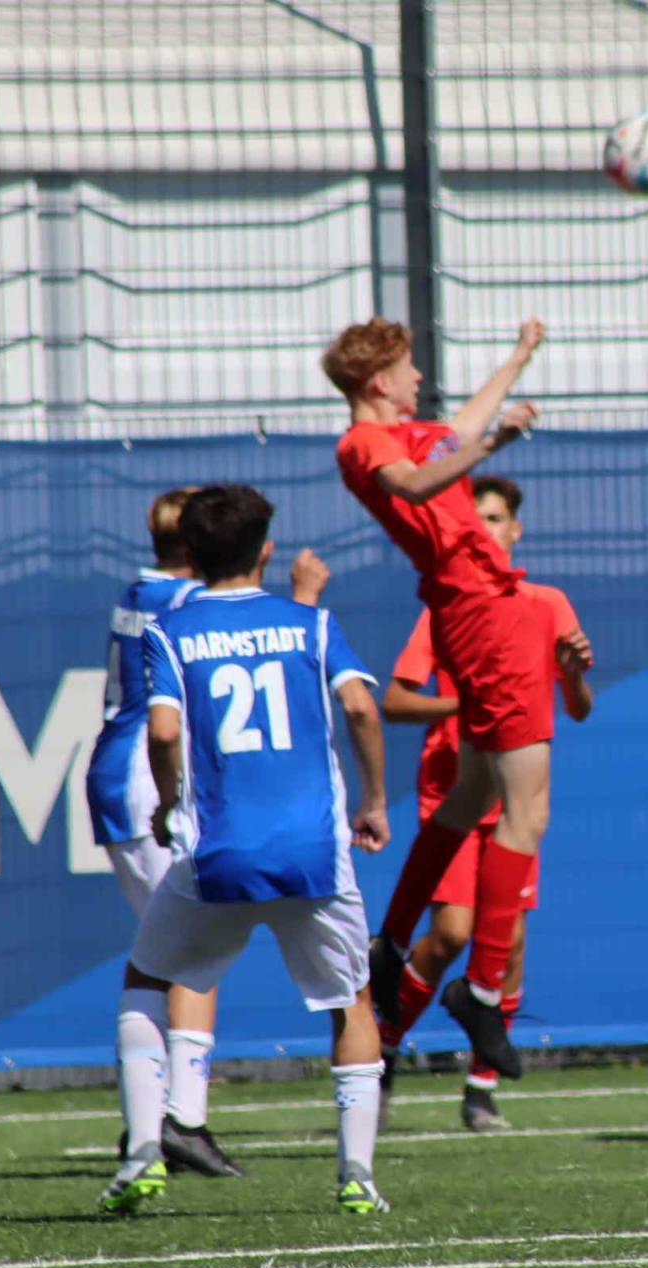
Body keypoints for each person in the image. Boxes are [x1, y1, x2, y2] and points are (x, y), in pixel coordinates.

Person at [98, 485, 391, 1216]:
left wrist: (167, 805)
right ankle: (357, 1177)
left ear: (192, 555)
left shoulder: (171, 630)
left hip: (218, 854)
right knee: (351, 1001)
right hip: (313, 854)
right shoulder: (311, 623)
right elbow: (360, 705)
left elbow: (164, 731)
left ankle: (143, 1151)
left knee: (147, 978)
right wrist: (375, 800)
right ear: (266, 550)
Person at [330, 316, 551, 1080]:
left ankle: (390, 945)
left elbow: (460, 430)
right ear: (378, 381)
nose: (418, 377)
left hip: (481, 611)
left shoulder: (411, 433)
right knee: (527, 811)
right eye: (408, 367)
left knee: (473, 797)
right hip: (483, 615)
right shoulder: (366, 443)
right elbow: (415, 481)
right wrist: (496, 447)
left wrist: (518, 357)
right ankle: (482, 991)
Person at [377, 476, 594, 1132]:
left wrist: (573, 674)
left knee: (511, 940)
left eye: (496, 519)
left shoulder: (545, 602)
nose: (486, 531)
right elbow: (395, 701)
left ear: (516, 529)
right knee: (450, 935)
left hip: (508, 795)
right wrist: (463, 704)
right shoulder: (451, 606)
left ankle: (481, 1086)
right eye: (476, 522)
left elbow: (579, 707)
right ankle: (383, 1049)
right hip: (456, 789)